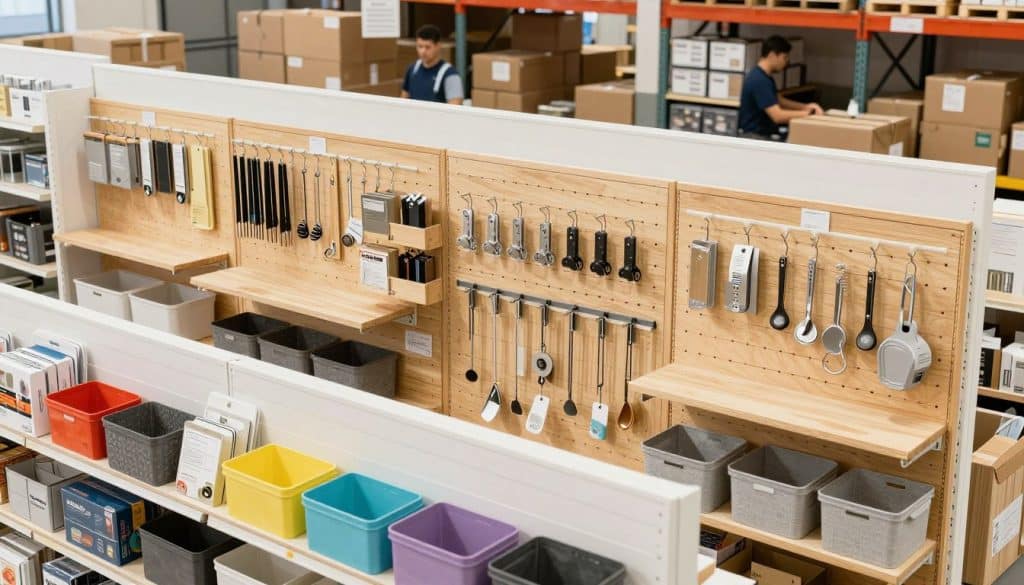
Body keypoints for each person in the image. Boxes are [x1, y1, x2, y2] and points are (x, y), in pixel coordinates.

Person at [738, 35, 823, 140]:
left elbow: (778, 100)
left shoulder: (764, 76)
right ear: (772, 55)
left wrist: (805, 107)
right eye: (784, 57)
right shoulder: (759, 80)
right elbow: (777, 116)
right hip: (755, 137)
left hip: (762, 134)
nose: (786, 62)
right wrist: (809, 114)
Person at [401, 25, 464, 105]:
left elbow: (455, 107)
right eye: (420, 46)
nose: (423, 51)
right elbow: (403, 100)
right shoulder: (412, 69)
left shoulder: (451, 75)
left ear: (438, 46)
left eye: (427, 47)